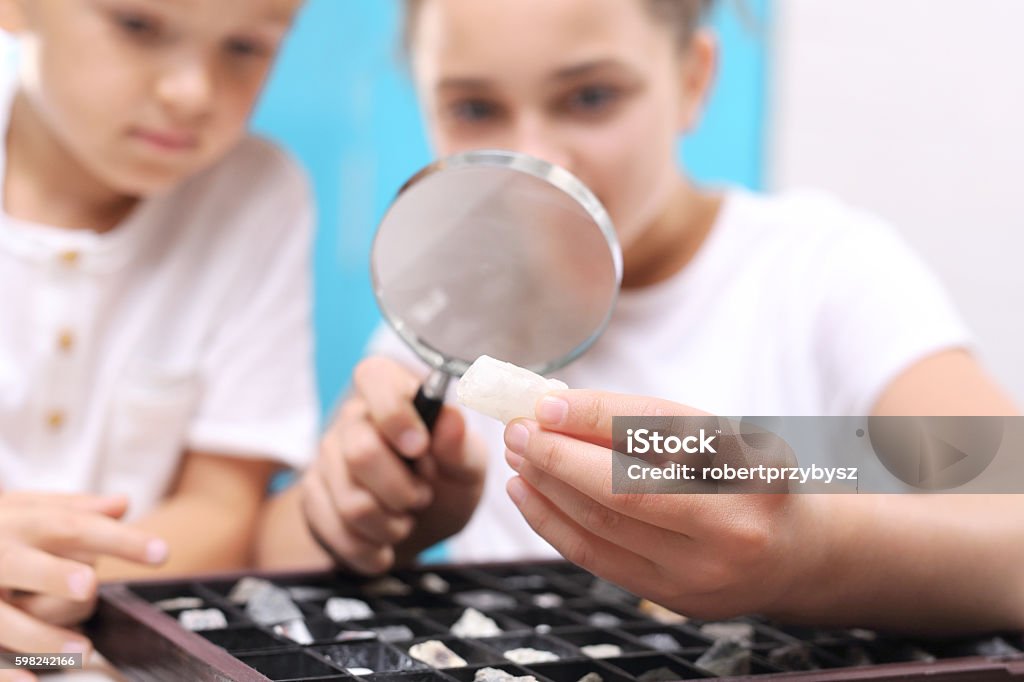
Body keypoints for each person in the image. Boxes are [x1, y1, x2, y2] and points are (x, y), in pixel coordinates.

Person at [257, 0, 1021, 633]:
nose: (539, 159)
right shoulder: (441, 308)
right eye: (474, 107)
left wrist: (809, 552)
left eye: (590, 97)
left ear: (693, 80)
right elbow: (274, 553)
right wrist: (371, 523)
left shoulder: (825, 272)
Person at [0, 0, 316, 662]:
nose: (191, 93)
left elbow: (224, 510)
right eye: (137, 26)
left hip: (105, 635)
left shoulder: (259, 197)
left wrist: (56, 597)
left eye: (245, 47)